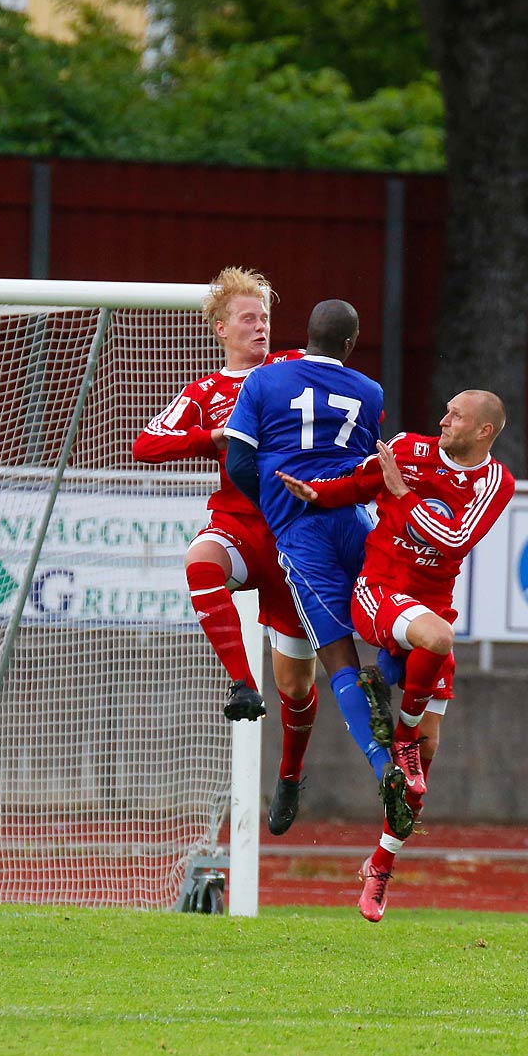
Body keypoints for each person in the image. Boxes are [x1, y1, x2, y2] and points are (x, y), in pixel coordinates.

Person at [279, 391, 514, 921]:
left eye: (455, 415)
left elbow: (454, 540)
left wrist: (402, 495)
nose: (442, 419)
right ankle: (399, 729)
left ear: (483, 432)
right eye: (445, 410)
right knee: (436, 643)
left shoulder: (495, 482)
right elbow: (360, 483)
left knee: (419, 774)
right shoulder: (408, 449)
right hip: (379, 591)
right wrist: (313, 494)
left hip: (431, 608)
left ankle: (380, 867)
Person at [132, 268, 322, 797]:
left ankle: (288, 776)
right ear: (220, 328)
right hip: (238, 527)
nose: (260, 327)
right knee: (200, 560)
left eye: (264, 317)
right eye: (248, 318)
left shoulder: (292, 369)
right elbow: (146, 445)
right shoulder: (207, 391)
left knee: (297, 686)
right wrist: (214, 436)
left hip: (296, 539)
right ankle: (241, 682)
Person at [223, 299, 396, 837]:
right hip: (356, 522)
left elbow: (239, 462)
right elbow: (368, 465)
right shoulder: (370, 392)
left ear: (305, 335)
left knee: (335, 653)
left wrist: (276, 507)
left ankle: (382, 766)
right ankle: (390, 691)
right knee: (397, 619)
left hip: (301, 533)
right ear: (351, 343)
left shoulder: (264, 381)